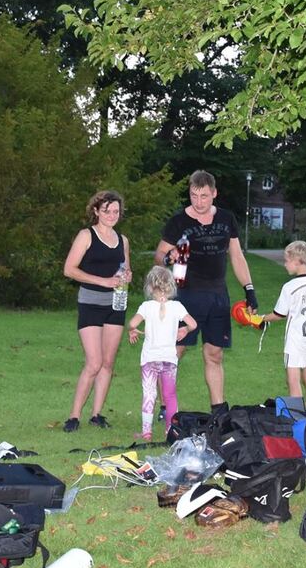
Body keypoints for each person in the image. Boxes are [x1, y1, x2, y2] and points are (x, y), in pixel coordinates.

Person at [155, 170, 256, 415]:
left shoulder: (226, 218)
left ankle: (219, 409)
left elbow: (237, 256)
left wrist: (249, 289)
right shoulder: (179, 221)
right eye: (193, 196)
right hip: (186, 295)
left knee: (215, 353)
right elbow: (159, 257)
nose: (198, 202)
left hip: (218, 296)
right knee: (175, 352)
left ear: (214, 193)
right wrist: (169, 257)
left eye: (204, 196)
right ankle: (166, 405)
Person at [62, 191, 132, 432]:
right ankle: (73, 416)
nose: (112, 215)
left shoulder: (122, 240)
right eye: (107, 211)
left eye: (116, 211)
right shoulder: (86, 235)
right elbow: (69, 269)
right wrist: (103, 281)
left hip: (116, 305)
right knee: (94, 362)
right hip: (90, 302)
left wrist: (126, 276)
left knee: (108, 362)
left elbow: (125, 270)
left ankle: (97, 414)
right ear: (96, 211)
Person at [128, 266, 195, 441]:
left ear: (150, 287)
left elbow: (132, 323)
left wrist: (134, 330)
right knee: (170, 395)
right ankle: (171, 430)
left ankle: (147, 432)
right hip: (169, 359)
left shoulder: (146, 306)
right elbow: (193, 324)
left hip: (150, 358)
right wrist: (185, 329)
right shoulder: (177, 306)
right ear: (171, 286)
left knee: (149, 394)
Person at [260, 240, 306, 404]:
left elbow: (279, 314)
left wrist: (261, 318)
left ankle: (296, 418)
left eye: (287, 261)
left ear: (297, 261)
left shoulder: (290, 287)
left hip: (295, 340)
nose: (285, 265)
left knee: (293, 379)